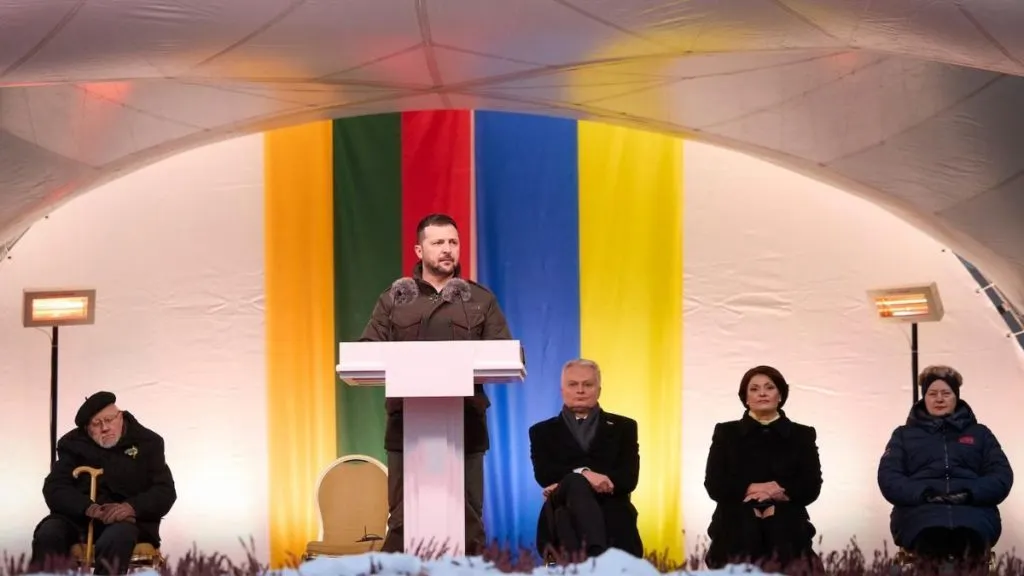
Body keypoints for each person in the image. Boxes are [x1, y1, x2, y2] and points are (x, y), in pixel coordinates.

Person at [359, 213, 513, 555]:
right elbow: (367, 351)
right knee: (403, 519)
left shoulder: (479, 299)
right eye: (438, 242)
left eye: (453, 242)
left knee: (467, 520)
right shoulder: (395, 299)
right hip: (406, 425)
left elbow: (504, 352)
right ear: (419, 250)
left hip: (466, 424)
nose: (447, 249)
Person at [877, 365, 1013, 568]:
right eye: (932, 394)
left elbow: (1001, 475)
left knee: (968, 545)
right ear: (924, 397)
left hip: (974, 513)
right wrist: (924, 494)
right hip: (919, 514)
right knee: (932, 543)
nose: (939, 399)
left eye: (946, 393)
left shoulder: (980, 434)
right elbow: (889, 477)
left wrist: (970, 493)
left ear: (956, 396)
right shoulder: (903, 435)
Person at [29, 391, 177, 575]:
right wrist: (89, 508)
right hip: (79, 520)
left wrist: (131, 507)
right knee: (49, 533)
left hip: (126, 522)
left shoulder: (148, 442)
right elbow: (55, 487)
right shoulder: (72, 444)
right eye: (96, 423)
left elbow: (164, 491)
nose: (105, 428)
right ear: (87, 429)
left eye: (109, 420)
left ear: (120, 416)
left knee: (117, 537)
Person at [703, 365, 822, 571]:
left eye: (769, 387)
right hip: (735, 517)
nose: (762, 393)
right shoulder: (726, 432)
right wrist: (751, 489)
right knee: (743, 531)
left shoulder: (802, 434)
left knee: (782, 533)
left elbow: (811, 486)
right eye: (754, 389)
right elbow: (714, 484)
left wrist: (778, 490)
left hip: (788, 519)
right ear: (745, 398)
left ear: (780, 395)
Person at [528, 358, 643, 560]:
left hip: (612, 512)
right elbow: (544, 475)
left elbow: (628, 479)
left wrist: (572, 477)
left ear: (599, 390)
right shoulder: (541, 431)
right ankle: (595, 554)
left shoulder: (624, 427)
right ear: (562, 390)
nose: (580, 390)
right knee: (573, 486)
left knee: (571, 497)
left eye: (587, 384)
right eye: (573, 384)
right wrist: (585, 474)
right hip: (562, 509)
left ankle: (588, 560)